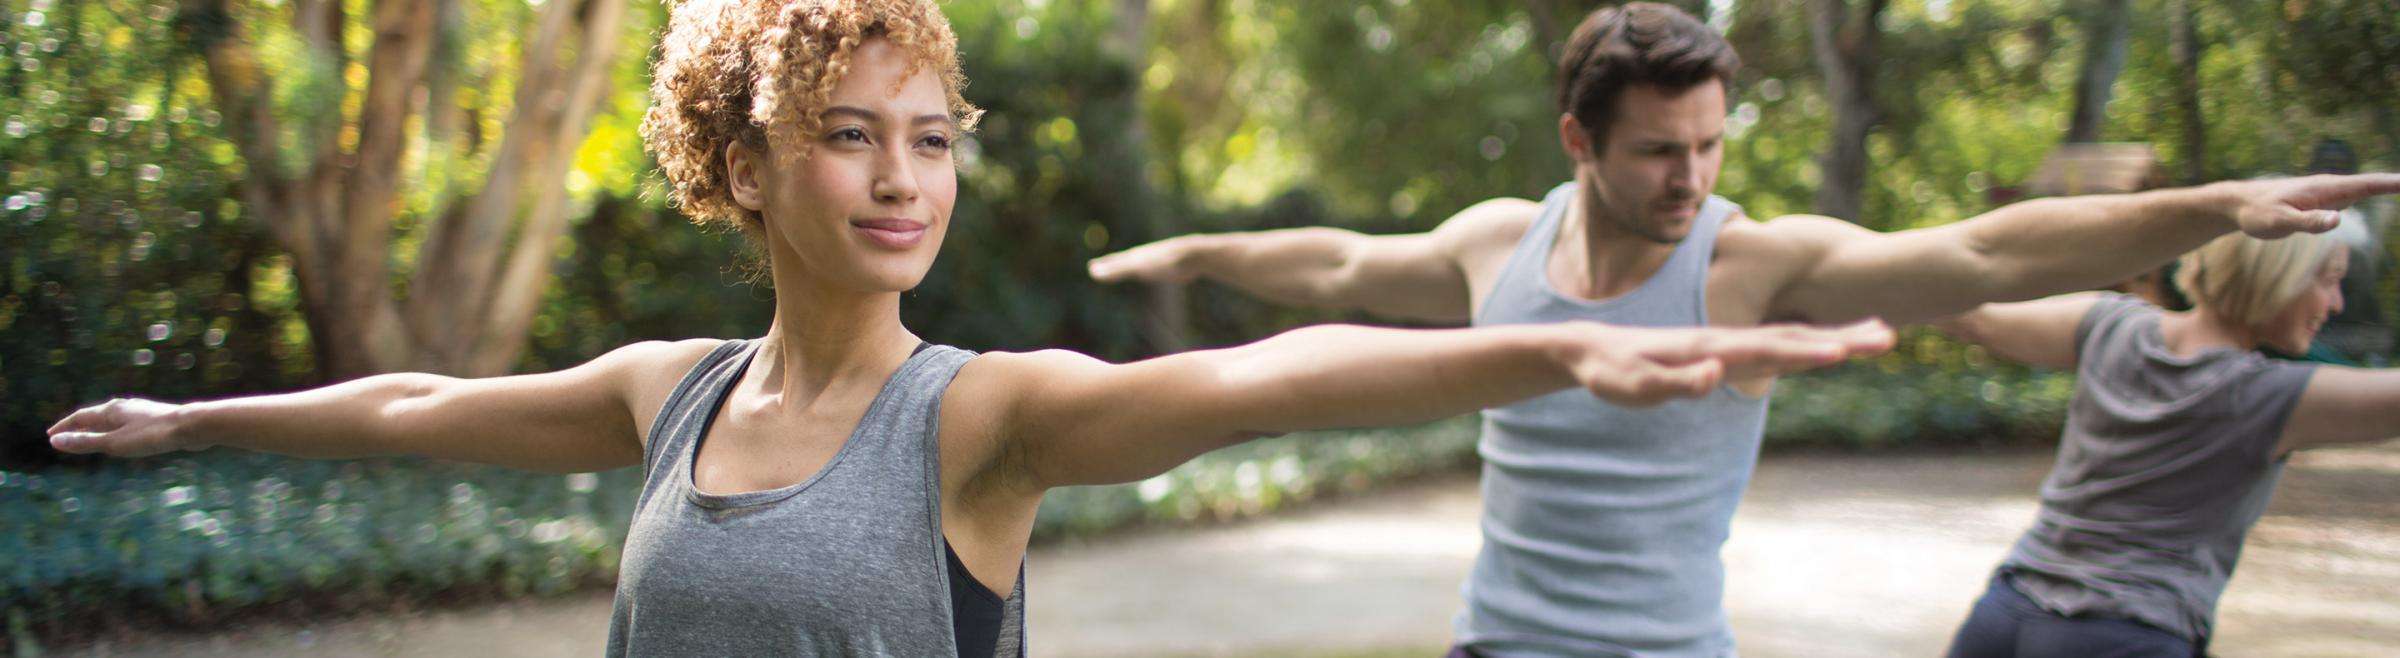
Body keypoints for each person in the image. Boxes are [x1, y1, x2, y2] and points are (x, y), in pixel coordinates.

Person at [42, 1, 1898, 657]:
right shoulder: (667, 393)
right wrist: (202, 418)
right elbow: (417, 397)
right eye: (845, 135)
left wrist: (1548, 349)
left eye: (930, 138)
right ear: (739, 165)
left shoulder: (980, 417)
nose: (899, 176)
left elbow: (1257, 379)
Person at [1085, 4, 2400, 656]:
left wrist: (2212, 206)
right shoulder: (1500, 242)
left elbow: (1984, 250)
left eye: (1710, 145)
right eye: (1661, 151)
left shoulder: (1758, 264)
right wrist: (1200, 247)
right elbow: (1339, 262)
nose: (1694, 178)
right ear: (1577, 141)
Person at [1937, 230, 2398, 657]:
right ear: (2278, 277)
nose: (2335, 302)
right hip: (2126, 637)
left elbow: (1973, 317)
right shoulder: (2266, 395)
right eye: (2328, 280)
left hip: (2004, 617)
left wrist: (1871, 275)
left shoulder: (2110, 325)